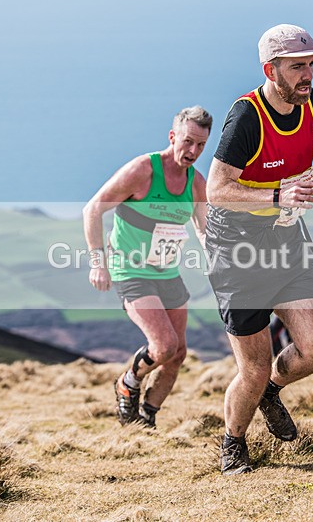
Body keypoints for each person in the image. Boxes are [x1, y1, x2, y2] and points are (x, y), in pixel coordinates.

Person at [206, 24, 313, 474]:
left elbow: (308, 132)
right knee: (250, 370)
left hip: (286, 238)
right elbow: (217, 189)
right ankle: (233, 442)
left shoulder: (308, 100)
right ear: (270, 69)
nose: (308, 74)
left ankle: (272, 392)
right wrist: (279, 195)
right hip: (237, 249)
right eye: (298, 66)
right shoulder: (246, 117)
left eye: (312, 64)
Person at [82, 106, 211, 428]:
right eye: (187, 141)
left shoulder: (196, 183)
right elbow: (92, 210)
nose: (193, 151)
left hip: (167, 272)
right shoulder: (143, 170)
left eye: (201, 145)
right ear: (172, 137)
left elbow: (205, 227)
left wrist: (219, 259)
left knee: (178, 354)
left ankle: (146, 418)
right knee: (164, 346)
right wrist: (98, 262)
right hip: (130, 270)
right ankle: (128, 383)